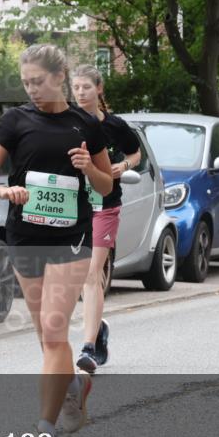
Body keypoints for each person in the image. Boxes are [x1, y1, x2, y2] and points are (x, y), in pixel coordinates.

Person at [0, 44, 113, 437]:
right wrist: (2, 190)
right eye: (26, 82)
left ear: (59, 77)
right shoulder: (15, 121)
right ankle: (74, 387)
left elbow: (106, 187)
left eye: (38, 81)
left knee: (54, 332)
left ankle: (43, 434)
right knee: (46, 337)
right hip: (25, 237)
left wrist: (89, 168)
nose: (32, 89)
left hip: (71, 238)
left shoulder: (85, 124)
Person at [69, 65, 141, 374]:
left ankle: (87, 348)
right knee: (78, 278)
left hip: (105, 204)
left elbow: (136, 154)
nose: (81, 92)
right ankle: (97, 328)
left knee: (91, 271)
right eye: (76, 87)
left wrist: (122, 166)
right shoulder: (67, 125)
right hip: (74, 207)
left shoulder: (114, 125)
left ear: (99, 89)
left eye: (86, 87)